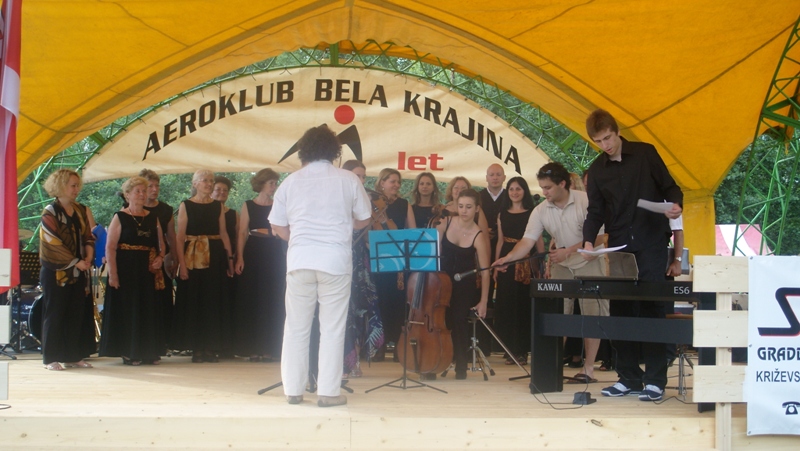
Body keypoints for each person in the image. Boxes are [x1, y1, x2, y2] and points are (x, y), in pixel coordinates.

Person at [582, 109, 683, 402]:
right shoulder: (597, 170)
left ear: (617, 131)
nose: (605, 145)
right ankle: (628, 377)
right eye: (599, 141)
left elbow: (670, 187)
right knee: (621, 309)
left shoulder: (645, 153)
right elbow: (595, 211)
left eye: (608, 138)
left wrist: (675, 205)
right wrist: (588, 241)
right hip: (620, 245)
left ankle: (655, 380)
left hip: (651, 240)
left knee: (653, 307)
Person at [269, 125, 371, 407]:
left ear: (304, 150)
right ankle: (328, 392)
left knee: (296, 327)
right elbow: (364, 218)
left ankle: (293, 390)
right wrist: (344, 226)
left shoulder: (291, 181)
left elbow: (278, 225)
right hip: (334, 261)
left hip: (300, 260)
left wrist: (300, 237)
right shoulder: (348, 179)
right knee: (332, 328)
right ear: (334, 151)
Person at [493, 162, 609, 384]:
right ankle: (552, 366)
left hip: (590, 261)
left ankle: (588, 369)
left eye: (547, 187)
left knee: (592, 314)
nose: (544, 192)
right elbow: (527, 241)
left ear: (562, 184)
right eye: (542, 187)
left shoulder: (586, 201)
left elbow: (601, 237)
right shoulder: (540, 210)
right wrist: (508, 258)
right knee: (558, 314)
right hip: (561, 264)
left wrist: (568, 251)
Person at [99, 176, 166, 365]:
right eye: (138, 191)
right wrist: (113, 274)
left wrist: (161, 257)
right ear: (127, 195)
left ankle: (149, 351)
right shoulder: (120, 217)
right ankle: (129, 352)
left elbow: (161, 244)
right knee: (129, 310)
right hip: (126, 269)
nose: (142, 194)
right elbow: (110, 247)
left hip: (147, 270)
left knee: (147, 309)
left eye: (144, 191)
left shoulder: (153, 217)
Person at [172, 169, 235, 363]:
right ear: (195, 184)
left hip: (215, 256)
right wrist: (182, 265)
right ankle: (196, 348)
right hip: (192, 256)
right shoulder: (186, 205)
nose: (209, 184)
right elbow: (180, 237)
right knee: (195, 299)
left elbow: (223, 234)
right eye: (205, 180)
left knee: (212, 301)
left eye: (211, 180)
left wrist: (230, 260)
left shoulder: (217, 206)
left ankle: (210, 346)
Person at [38, 169, 95, 371]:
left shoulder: (80, 210)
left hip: (78, 270)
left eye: (77, 185)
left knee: (75, 313)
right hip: (56, 272)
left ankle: (72, 356)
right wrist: (75, 261)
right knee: (55, 314)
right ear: (60, 186)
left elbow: (88, 236)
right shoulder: (50, 211)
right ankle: (50, 358)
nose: (76, 189)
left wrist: (88, 256)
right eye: (73, 185)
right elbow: (51, 242)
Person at [435, 188, 491, 380]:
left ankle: (461, 365)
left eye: (468, 207)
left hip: (464, 284)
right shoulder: (446, 222)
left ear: (477, 209)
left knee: (458, 319)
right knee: (440, 319)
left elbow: (485, 272)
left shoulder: (478, 235)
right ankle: (435, 361)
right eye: (460, 206)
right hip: (441, 281)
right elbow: (430, 247)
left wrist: (484, 301)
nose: (464, 210)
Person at [234, 168, 286, 362]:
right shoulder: (248, 205)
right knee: (253, 296)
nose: (274, 186)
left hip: (274, 252)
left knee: (272, 297)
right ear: (262, 183)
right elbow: (242, 232)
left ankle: (270, 348)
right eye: (271, 183)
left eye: (275, 183)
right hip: (254, 251)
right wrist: (240, 257)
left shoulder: (278, 205)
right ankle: (252, 347)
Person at [341, 160, 384, 377]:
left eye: (364, 176)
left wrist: (375, 219)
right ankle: (340, 362)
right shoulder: (337, 198)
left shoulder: (365, 202)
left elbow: (372, 238)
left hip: (360, 263)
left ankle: (355, 360)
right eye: (357, 176)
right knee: (343, 312)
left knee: (361, 310)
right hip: (340, 261)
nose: (361, 180)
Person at [372, 168, 415, 360]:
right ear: (382, 183)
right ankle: (379, 345)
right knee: (380, 300)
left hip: (398, 259)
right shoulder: (372, 203)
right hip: (378, 257)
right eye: (392, 181)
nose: (396, 185)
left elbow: (412, 230)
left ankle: (399, 345)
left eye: (398, 182)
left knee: (398, 301)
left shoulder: (404, 204)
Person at [493, 177, 535, 365]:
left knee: (523, 305)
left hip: (526, 260)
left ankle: (522, 350)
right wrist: (496, 264)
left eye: (518, 189)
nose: (514, 192)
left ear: (524, 191)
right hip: (506, 262)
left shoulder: (532, 213)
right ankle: (509, 348)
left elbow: (537, 240)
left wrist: (541, 263)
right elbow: (500, 241)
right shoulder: (502, 213)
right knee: (507, 304)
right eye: (511, 189)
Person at [140, 169, 178, 355]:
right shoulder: (131, 207)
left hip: (162, 258)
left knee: (162, 298)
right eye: (150, 186)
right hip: (139, 259)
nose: (154, 189)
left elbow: (171, 236)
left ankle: (163, 341)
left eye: (157, 186)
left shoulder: (165, 210)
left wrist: (174, 258)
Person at [212, 175, 238, 357]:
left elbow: (238, 237)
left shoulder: (233, 214)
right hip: (209, 259)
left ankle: (226, 345)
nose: (222, 193)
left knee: (227, 301)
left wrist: (234, 258)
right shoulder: (204, 210)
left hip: (227, 259)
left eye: (225, 190)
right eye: (218, 189)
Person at [480, 164, 507, 256]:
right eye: (491, 175)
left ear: (504, 177)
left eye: (498, 175)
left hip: (505, 245)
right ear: (486, 178)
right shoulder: (478, 197)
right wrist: (483, 230)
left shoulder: (510, 197)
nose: (495, 178)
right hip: (482, 243)